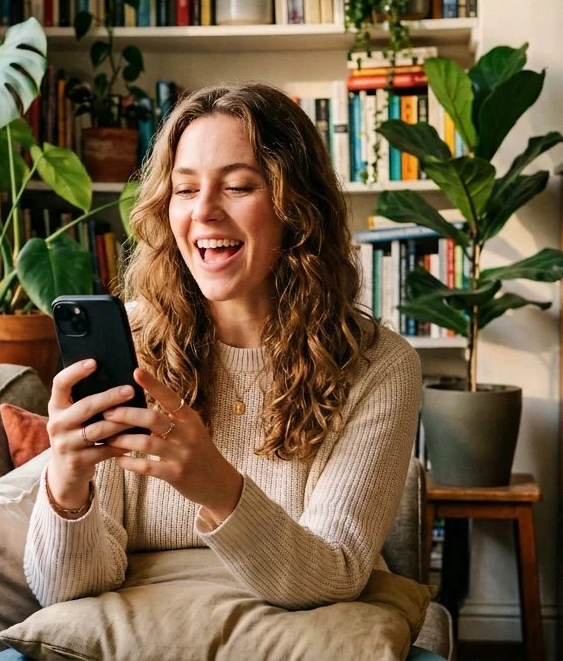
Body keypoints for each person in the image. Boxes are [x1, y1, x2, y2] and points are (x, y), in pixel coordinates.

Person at [21, 81, 429, 648]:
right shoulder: (130, 341)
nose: (205, 211)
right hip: (140, 639)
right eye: (185, 190)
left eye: (238, 186)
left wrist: (214, 484)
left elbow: (335, 573)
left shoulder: (380, 366)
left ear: (297, 208)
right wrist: (67, 483)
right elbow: (65, 591)